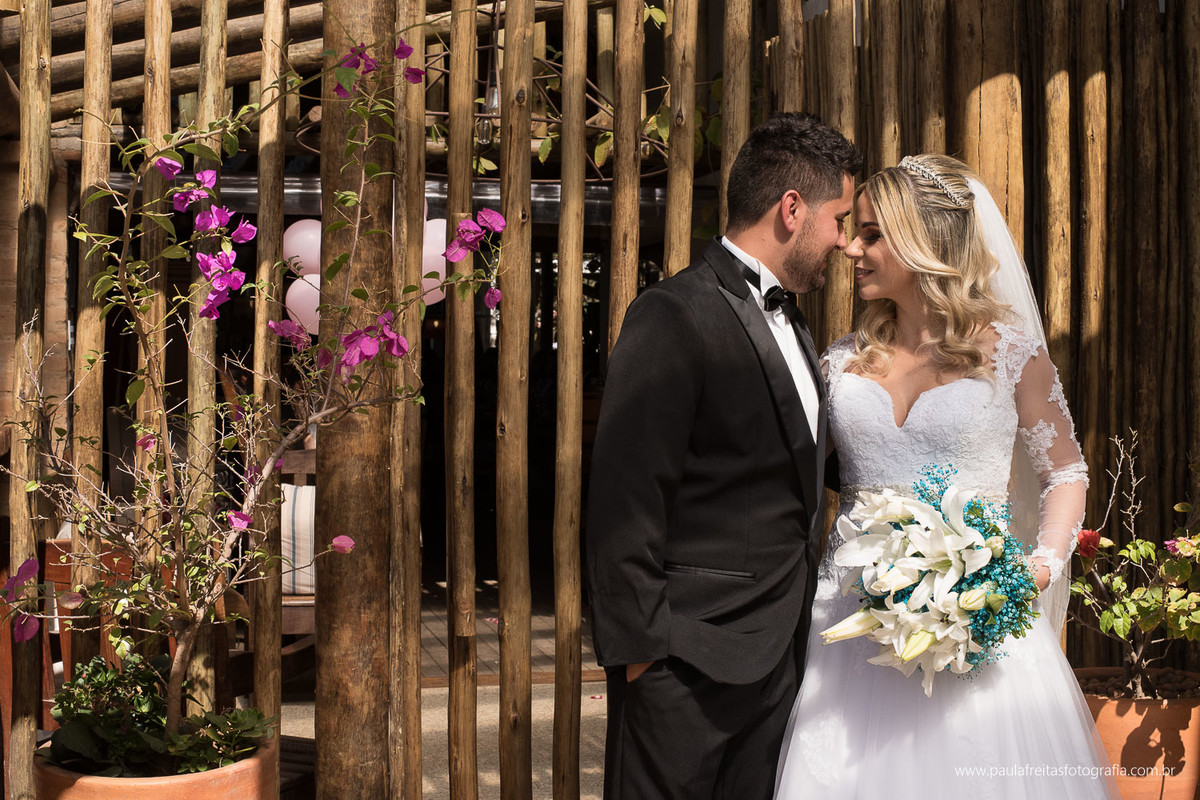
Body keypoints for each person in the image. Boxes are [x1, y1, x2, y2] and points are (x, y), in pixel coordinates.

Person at [774, 154, 1117, 798]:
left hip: (977, 622)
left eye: (872, 234)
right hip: (848, 627)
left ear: (924, 243)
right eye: (856, 231)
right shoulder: (841, 359)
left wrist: (1035, 569)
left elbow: (1067, 470)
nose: (852, 247)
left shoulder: (1010, 352)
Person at [585, 112, 861, 799]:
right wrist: (645, 657)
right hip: (685, 668)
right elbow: (624, 502)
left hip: (780, 662)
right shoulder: (672, 315)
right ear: (792, 210)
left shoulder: (794, 320)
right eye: (840, 218)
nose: (844, 241)